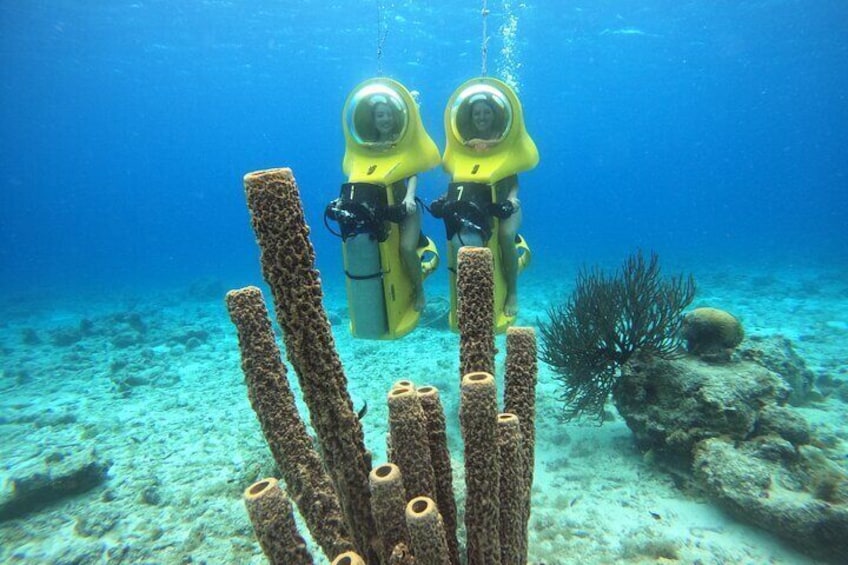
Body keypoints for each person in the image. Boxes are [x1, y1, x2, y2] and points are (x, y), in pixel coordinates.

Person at [466, 96, 522, 317]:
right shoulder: (466, 143)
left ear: (494, 115)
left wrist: (512, 199)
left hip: (506, 204)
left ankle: (513, 292)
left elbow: (514, 180)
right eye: (477, 113)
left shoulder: (504, 140)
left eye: (486, 112)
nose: (481, 116)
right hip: (482, 205)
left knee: (505, 236)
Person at [372, 99, 426, 311]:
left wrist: (409, 197)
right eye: (380, 115)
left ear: (394, 118)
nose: (385, 119)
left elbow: (412, 173)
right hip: (383, 210)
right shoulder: (366, 147)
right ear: (374, 120)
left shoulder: (400, 142)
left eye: (388, 114)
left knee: (405, 248)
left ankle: (420, 291)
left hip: (405, 209)